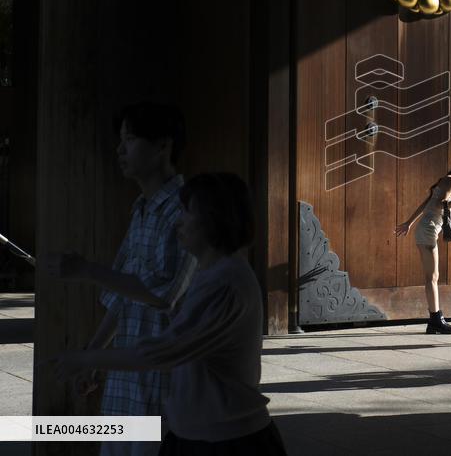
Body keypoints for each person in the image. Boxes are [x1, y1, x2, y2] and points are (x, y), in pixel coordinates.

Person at [53, 173, 288, 456]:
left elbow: (160, 354)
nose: (179, 223)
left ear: (213, 220)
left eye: (188, 214)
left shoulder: (226, 282)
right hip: (197, 434)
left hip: (228, 441)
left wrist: (84, 358)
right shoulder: (212, 274)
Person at [40, 102, 197, 456]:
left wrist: (85, 270)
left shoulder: (182, 210)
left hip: (163, 380)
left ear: (163, 145)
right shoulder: (141, 208)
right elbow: (122, 295)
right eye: (120, 139)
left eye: (131, 139)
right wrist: (94, 355)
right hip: (126, 378)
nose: (120, 149)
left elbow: (163, 294)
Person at [395, 153, 451, 334]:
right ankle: (435, 319)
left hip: (427, 229)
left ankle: (435, 319)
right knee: (432, 277)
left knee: (432, 276)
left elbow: (427, 203)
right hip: (428, 230)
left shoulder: (450, 181)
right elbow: (437, 205)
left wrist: (409, 223)